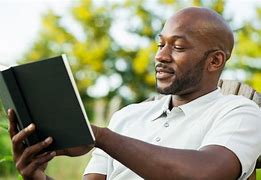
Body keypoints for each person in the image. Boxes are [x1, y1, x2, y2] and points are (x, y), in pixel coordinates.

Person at [7, 6, 261, 180]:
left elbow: (205, 174)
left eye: (178, 47)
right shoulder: (126, 117)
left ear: (215, 61)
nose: (160, 56)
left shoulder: (239, 112)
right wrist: (37, 176)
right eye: (161, 44)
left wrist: (100, 136)